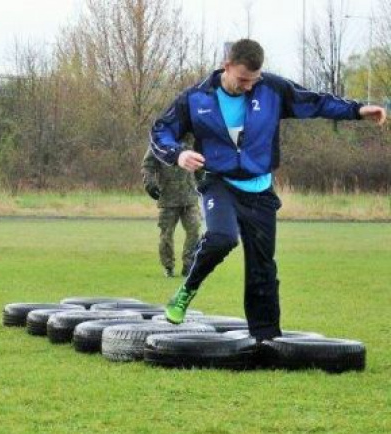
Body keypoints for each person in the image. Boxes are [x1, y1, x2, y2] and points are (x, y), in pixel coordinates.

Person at [150, 38, 386, 340]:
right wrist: (178, 154)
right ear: (227, 66)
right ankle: (187, 289)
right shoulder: (195, 99)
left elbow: (315, 101)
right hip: (219, 182)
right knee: (222, 238)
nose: (249, 86)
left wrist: (357, 110)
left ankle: (266, 339)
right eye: (243, 80)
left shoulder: (272, 89)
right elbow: (161, 130)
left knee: (262, 267)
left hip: (260, 189)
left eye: (254, 80)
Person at [141, 147, 201, 278]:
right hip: (168, 197)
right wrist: (150, 184)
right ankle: (168, 266)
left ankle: (189, 265)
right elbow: (148, 166)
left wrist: (203, 182)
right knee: (166, 234)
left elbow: (200, 164)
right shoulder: (160, 143)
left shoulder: (192, 140)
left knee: (195, 229)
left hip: (189, 197)